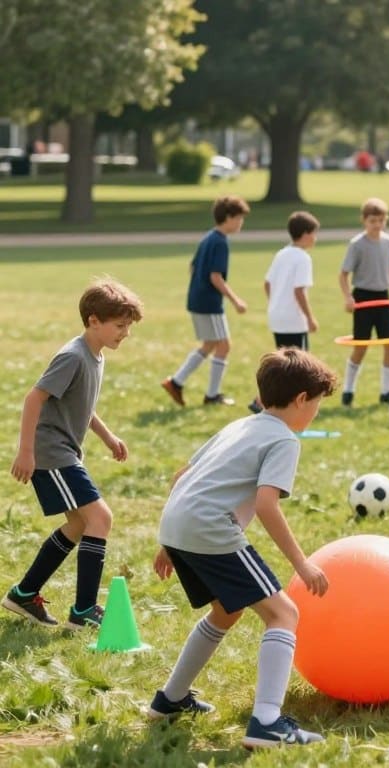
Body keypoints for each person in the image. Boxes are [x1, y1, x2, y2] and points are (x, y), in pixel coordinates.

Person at [148, 348, 338, 749]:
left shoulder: (242, 424)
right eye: (318, 404)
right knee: (284, 614)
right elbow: (267, 505)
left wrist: (169, 540)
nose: (316, 412)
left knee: (227, 610)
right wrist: (301, 563)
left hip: (180, 522)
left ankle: (170, 700)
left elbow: (183, 474)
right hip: (210, 528)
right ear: (302, 398)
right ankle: (267, 722)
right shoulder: (285, 440)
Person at [3, 279, 143, 630]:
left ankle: (23, 594)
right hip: (51, 453)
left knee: (80, 524)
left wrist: (108, 436)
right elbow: (35, 398)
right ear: (94, 320)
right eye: (119, 325)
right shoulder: (73, 356)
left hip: (64, 452)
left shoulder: (95, 356)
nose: (125, 333)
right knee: (101, 519)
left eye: (128, 326)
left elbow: (82, 404)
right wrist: (25, 452)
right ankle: (83, 611)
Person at [162, 195, 250, 407]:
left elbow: (192, 267)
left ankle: (176, 382)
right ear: (228, 217)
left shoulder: (208, 237)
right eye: (239, 218)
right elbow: (215, 276)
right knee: (224, 345)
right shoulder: (220, 242)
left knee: (210, 344)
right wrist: (236, 300)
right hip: (210, 303)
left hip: (197, 299)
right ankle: (212, 395)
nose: (241, 223)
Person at [248, 211, 321, 413]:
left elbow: (267, 283)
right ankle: (266, 403)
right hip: (293, 320)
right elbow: (299, 291)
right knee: (298, 367)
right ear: (305, 234)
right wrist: (310, 318)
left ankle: (264, 402)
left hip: (277, 316)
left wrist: (275, 303)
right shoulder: (303, 258)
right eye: (314, 233)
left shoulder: (282, 253)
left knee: (283, 364)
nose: (315, 238)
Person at [338, 197, 389, 407]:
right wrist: (349, 297)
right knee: (361, 346)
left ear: (386, 220)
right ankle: (348, 390)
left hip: (383, 298)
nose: (377, 225)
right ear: (364, 221)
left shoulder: (388, 242)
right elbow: (343, 274)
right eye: (372, 221)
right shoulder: (357, 244)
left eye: (381, 220)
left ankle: (386, 391)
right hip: (363, 298)